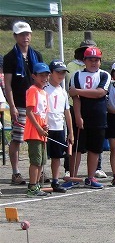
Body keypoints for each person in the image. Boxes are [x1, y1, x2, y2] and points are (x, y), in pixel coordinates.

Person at [3, 21, 43, 186]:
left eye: (27, 34)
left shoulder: (37, 55)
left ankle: (38, 171)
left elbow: (43, 80)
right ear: (15, 36)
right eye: (21, 34)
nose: (25, 37)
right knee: (18, 139)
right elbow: (8, 84)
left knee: (38, 138)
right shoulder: (10, 57)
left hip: (36, 104)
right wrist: (11, 106)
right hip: (19, 103)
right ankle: (15, 172)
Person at [69, 46, 111, 189]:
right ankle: (73, 176)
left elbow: (100, 92)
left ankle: (90, 177)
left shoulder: (104, 75)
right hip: (82, 115)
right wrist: (78, 116)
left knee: (95, 149)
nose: (93, 63)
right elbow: (75, 98)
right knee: (77, 148)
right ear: (84, 60)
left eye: (96, 60)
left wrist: (79, 91)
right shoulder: (76, 75)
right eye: (90, 60)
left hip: (98, 116)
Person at [44, 60, 75, 193]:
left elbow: (67, 112)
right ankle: (37, 181)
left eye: (63, 72)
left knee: (57, 156)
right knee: (43, 156)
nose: (61, 75)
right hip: (46, 127)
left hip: (58, 127)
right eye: (58, 72)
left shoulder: (62, 91)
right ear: (50, 73)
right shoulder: (44, 89)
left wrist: (70, 131)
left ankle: (55, 181)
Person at [23, 62, 50, 197]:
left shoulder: (44, 92)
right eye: (41, 75)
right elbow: (30, 112)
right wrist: (39, 128)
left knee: (41, 160)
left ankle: (37, 185)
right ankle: (32, 186)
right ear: (34, 76)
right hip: (34, 131)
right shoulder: (33, 90)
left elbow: (43, 113)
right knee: (35, 159)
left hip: (41, 131)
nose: (44, 78)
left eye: (46, 75)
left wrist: (45, 126)